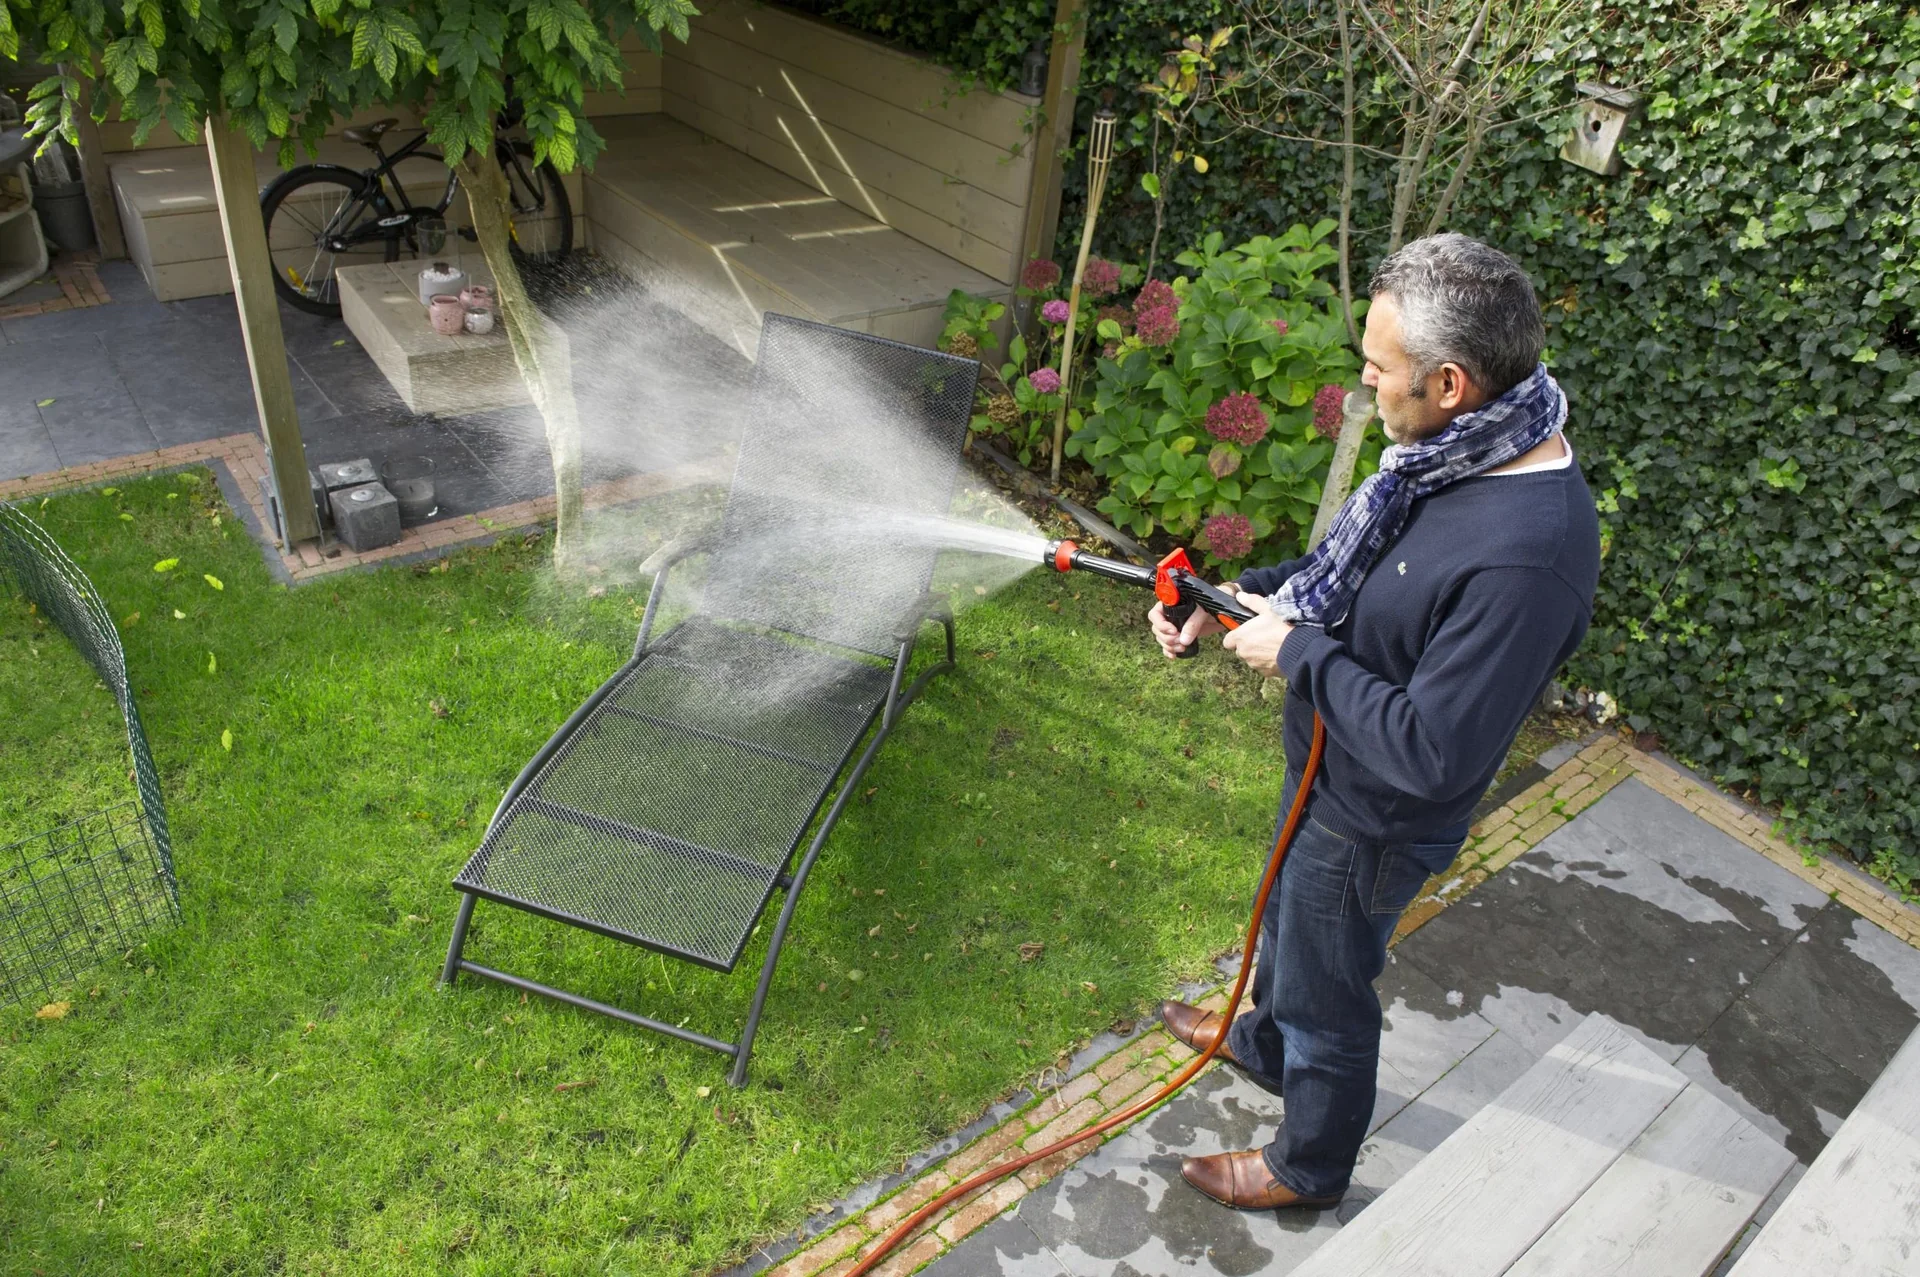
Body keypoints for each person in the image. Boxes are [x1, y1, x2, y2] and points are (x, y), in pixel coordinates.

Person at [1148, 232, 1601, 1211]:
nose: (1361, 378)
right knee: (1283, 931)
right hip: (1322, 763)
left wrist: (1299, 654)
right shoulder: (1445, 457)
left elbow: (1435, 751)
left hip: (1373, 820)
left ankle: (1307, 1162)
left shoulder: (1529, 557)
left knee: (1329, 989)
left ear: (1449, 382)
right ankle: (1260, 1041)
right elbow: (1353, 584)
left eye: (1376, 366)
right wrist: (1224, 596)